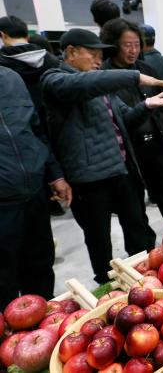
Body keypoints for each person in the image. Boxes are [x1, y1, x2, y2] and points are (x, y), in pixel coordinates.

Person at [41, 28, 163, 284]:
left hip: (121, 169)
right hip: (89, 179)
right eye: (92, 54)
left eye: (100, 56)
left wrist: (145, 107)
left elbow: (124, 117)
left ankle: (144, 277)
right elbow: (84, 85)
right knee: (99, 238)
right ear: (71, 52)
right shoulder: (56, 80)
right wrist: (135, 76)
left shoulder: (97, 82)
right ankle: (106, 284)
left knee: (137, 227)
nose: (98, 61)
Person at [100, 18, 163, 231]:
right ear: (113, 45)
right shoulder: (104, 76)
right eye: (127, 45)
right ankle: (142, 252)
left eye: (137, 44)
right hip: (128, 154)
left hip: (156, 145)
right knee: (134, 212)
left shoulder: (146, 68)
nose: (133, 50)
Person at [0, 66, 72, 309]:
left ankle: (42, 323)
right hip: (3, 205)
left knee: (41, 264)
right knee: (4, 276)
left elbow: (36, 130)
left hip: (34, 193)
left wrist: (55, 174)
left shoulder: (11, 78)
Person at [0, 16, 64, 215]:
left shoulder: (6, 67)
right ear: (27, 34)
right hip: (55, 124)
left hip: (23, 140)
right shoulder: (51, 60)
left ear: (2, 36)